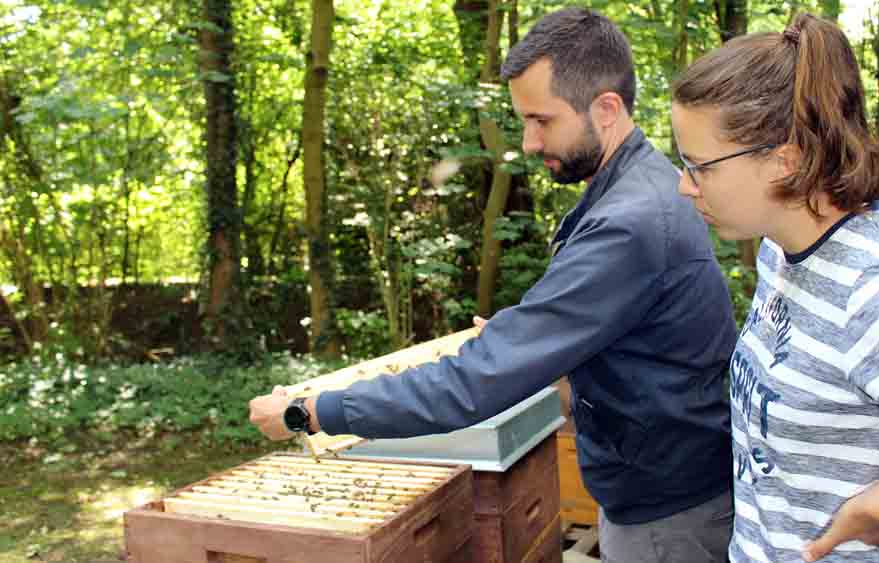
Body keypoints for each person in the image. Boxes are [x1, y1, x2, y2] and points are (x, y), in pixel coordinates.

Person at [251, 7, 737, 562]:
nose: (529, 142)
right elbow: (636, 343)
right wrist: (524, 339)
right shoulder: (638, 186)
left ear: (606, 109)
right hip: (667, 491)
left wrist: (310, 411)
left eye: (542, 120)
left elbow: (472, 387)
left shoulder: (629, 222)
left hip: (666, 515)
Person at [669, 12, 879, 563]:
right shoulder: (782, 248)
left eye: (697, 166)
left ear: (785, 161)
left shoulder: (878, 293)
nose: (684, 186)